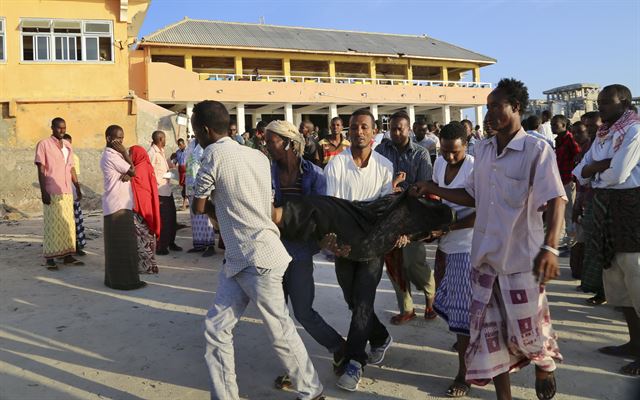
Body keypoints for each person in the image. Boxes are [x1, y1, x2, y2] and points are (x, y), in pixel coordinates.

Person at [413, 78, 565, 400]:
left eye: (497, 106)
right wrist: (432, 188)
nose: (490, 112)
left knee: (529, 333)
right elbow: (473, 196)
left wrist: (551, 247)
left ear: (517, 108)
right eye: (488, 106)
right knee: (488, 336)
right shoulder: (482, 149)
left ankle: (544, 363)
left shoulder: (537, 150)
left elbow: (556, 199)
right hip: (483, 259)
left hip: (521, 259)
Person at [191, 100, 323, 400]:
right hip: (243, 257)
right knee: (216, 327)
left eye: (195, 130)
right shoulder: (258, 157)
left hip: (256, 259)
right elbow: (264, 205)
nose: (196, 136)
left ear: (205, 130)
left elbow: (199, 206)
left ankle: (312, 392)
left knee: (280, 332)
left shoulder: (212, 154)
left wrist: (215, 207)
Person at [265, 120, 346, 390]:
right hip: (272, 249)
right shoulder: (266, 171)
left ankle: (339, 347)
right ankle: (295, 367)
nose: (266, 144)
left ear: (288, 143)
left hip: (299, 252)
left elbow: (320, 215)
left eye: (272, 140)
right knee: (279, 314)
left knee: (302, 311)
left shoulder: (313, 174)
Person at [324, 108, 394, 391]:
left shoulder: (385, 167)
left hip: (373, 247)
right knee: (353, 301)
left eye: (365, 127)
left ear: (374, 132)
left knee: (363, 300)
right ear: (347, 131)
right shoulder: (336, 165)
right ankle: (380, 336)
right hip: (344, 246)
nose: (359, 132)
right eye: (354, 127)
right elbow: (333, 209)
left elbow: (385, 210)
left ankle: (355, 361)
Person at [573, 84, 640, 376]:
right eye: (599, 102)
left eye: (606, 103)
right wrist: (597, 168)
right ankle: (634, 343)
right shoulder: (603, 134)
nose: (601, 107)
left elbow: (619, 173)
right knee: (618, 284)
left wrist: (593, 170)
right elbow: (579, 171)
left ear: (624, 102)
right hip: (605, 209)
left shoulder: (635, 131)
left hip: (631, 209)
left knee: (636, 277)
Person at [375, 111, 436, 324]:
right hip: (388, 216)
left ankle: (431, 298)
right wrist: (391, 186)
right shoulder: (380, 151)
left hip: (412, 216)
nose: (396, 132)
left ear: (409, 129)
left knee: (413, 263)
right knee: (394, 266)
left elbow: (425, 187)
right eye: (392, 128)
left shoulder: (421, 154)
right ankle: (406, 309)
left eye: (400, 128)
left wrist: (401, 187)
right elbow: (376, 183)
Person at [431, 121, 476, 398]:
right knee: (446, 299)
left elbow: (482, 208)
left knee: (462, 312)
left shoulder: (474, 167)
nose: (449, 157)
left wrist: (449, 227)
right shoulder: (439, 163)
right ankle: (466, 343)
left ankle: (464, 374)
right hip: (445, 244)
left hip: (468, 244)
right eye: (444, 151)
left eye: (454, 152)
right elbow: (440, 199)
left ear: (466, 146)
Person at [100, 125, 145, 290]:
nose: (120, 142)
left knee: (120, 245)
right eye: (117, 138)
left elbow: (130, 172)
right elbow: (133, 170)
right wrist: (126, 153)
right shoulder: (112, 155)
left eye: (122, 139)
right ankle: (124, 282)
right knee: (122, 246)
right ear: (108, 138)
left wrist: (129, 171)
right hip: (117, 205)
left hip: (120, 204)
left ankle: (115, 279)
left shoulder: (113, 155)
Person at [35, 118, 84, 269]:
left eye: (64, 128)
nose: (62, 130)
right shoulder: (44, 144)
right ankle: (50, 259)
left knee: (67, 224)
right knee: (52, 224)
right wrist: (44, 191)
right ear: (52, 128)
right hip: (52, 190)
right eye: (59, 128)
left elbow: (71, 168)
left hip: (67, 191)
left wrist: (77, 186)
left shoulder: (68, 146)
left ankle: (67, 256)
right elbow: (41, 169)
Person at [148, 131, 182, 255]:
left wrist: (170, 167)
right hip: (159, 191)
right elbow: (150, 171)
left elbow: (163, 170)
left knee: (172, 218)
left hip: (167, 189)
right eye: (165, 138)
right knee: (164, 220)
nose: (166, 140)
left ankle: (170, 242)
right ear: (161, 139)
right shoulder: (152, 153)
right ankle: (161, 246)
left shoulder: (161, 151)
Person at [129, 145, 161, 274]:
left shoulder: (138, 169)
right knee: (148, 237)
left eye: (130, 153)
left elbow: (135, 186)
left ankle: (145, 267)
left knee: (140, 239)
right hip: (148, 207)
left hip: (139, 209)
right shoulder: (147, 166)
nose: (129, 156)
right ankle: (152, 265)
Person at [552, 114, 581, 249]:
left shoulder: (570, 139)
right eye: (552, 124)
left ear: (563, 125)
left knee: (570, 209)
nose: (552, 127)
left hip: (568, 179)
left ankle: (572, 238)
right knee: (562, 209)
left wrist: (574, 176)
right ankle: (567, 235)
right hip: (560, 179)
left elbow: (577, 156)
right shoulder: (559, 140)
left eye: (555, 125)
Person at [184, 137, 217, 257]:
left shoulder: (207, 145)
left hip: (203, 185)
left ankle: (210, 245)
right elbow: (186, 163)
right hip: (190, 184)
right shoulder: (191, 144)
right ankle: (199, 244)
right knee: (195, 216)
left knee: (206, 215)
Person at [62, 133, 87, 257]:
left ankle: (77, 246)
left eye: (69, 144)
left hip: (71, 192)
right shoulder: (55, 156)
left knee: (76, 221)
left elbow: (74, 176)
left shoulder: (73, 157)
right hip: (61, 194)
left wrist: (77, 189)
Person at [171, 138, 188, 210]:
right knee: (184, 187)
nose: (181, 146)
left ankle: (184, 204)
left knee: (186, 187)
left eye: (181, 145)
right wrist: (172, 161)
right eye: (179, 145)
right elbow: (174, 162)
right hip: (181, 172)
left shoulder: (188, 151)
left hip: (188, 172)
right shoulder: (177, 152)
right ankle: (186, 202)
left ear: (184, 144)